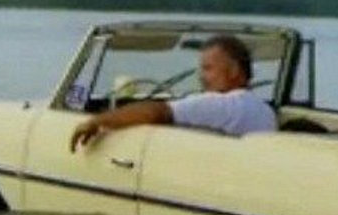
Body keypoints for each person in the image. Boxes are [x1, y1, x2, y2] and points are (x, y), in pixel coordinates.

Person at [69, 33, 276, 151]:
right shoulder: (265, 111)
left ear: (233, 71)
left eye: (208, 68)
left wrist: (97, 121)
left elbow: (157, 112)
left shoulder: (220, 105)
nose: (201, 77)